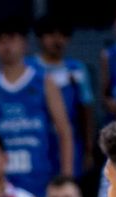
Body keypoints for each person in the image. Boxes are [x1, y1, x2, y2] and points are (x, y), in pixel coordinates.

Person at [0, 18, 72, 197]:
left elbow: (64, 131)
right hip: (2, 181)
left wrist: (66, 177)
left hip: (41, 177)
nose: (6, 46)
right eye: (0, 40)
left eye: (12, 39)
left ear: (24, 43)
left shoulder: (45, 81)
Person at [34, 15, 94, 180]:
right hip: (39, 143)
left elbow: (86, 110)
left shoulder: (77, 69)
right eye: (50, 34)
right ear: (40, 37)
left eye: (62, 34)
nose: (57, 40)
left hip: (71, 142)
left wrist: (88, 150)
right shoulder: (29, 68)